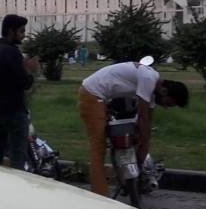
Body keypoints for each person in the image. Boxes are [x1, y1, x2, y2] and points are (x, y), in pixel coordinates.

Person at [78, 60, 189, 197]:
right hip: (92, 95)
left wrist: (143, 145)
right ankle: (99, 196)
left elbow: (148, 119)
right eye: (167, 103)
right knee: (98, 148)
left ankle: (121, 180)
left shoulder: (153, 84)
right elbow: (143, 116)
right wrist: (144, 147)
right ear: (164, 91)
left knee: (126, 135)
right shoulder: (148, 78)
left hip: (103, 98)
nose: (165, 107)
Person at [0, 14, 39, 168]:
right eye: (21, 31)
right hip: (13, 111)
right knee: (17, 156)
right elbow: (25, 83)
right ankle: (17, 182)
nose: (23, 35)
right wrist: (30, 71)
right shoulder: (12, 52)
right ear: (11, 31)